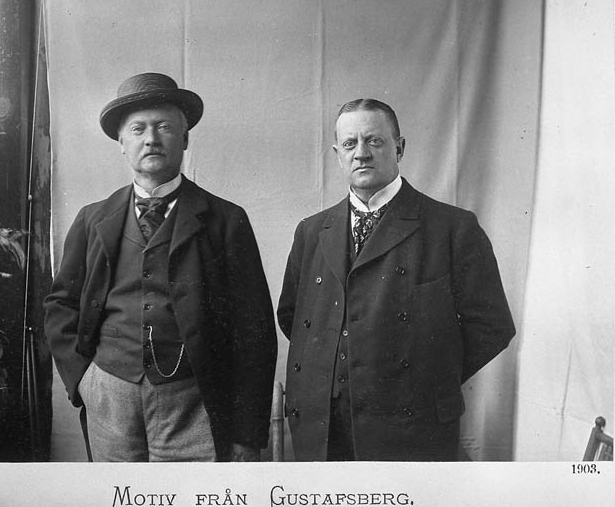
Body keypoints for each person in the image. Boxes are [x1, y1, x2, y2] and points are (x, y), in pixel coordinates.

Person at [44, 72, 277, 462]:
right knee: (116, 492)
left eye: (164, 127)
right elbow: (60, 304)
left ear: (184, 139)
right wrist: (82, 379)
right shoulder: (92, 219)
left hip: (194, 399)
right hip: (109, 394)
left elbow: (254, 329)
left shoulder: (225, 220)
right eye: (138, 129)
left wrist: (246, 432)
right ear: (122, 143)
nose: (151, 138)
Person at [277, 98, 515, 461]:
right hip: (324, 428)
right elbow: (293, 318)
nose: (361, 153)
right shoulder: (311, 232)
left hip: (412, 428)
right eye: (350, 144)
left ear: (399, 148)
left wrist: (424, 381)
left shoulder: (452, 228)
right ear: (337, 155)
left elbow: (492, 326)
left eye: (374, 141)